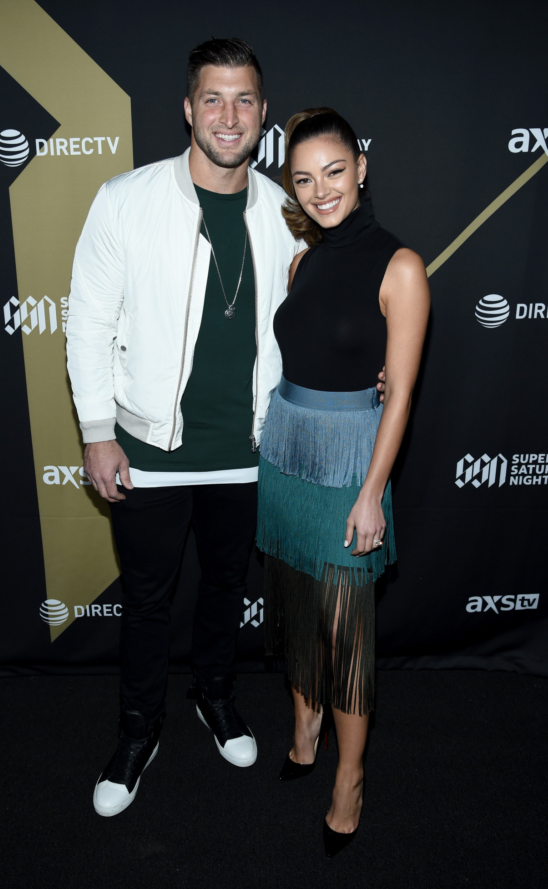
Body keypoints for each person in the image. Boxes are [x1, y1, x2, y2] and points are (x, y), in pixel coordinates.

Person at [67, 39, 386, 819]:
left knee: (222, 589)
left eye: (243, 99)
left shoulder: (287, 210)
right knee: (146, 604)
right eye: (212, 98)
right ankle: (138, 733)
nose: (228, 115)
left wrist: (374, 368)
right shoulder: (125, 199)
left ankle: (215, 697)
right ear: (187, 109)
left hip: (251, 456)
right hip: (149, 450)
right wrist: (96, 430)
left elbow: (335, 304)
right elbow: (87, 324)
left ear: (262, 113)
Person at [256, 109, 430, 857]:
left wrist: (370, 493)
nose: (320, 189)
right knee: (295, 610)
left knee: (344, 635)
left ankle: (349, 778)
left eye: (333, 171)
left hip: (350, 463)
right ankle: (304, 726)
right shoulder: (302, 261)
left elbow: (402, 395)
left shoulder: (402, 267)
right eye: (303, 178)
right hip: (286, 449)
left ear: (360, 167)